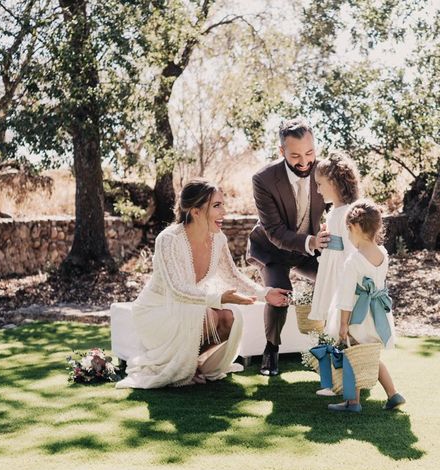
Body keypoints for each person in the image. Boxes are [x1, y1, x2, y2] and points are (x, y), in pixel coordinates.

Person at [116, 179, 289, 389]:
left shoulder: (218, 239)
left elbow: (232, 276)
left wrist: (265, 293)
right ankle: (183, 366)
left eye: (223, 205)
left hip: (190, 307)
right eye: (217, 206)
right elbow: (177, 290)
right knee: (206, 314)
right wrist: (218, 298)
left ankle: (194, 364)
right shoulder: (169, 239)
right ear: (195, 211)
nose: (224, 212)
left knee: (231, 316)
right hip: (157, 311)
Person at [247, 117, 328, 376]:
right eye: (295, 155)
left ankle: (332, 346)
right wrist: (310, 241)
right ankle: (271, 349)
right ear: (281, 152)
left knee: (334, 278)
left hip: (309, 250)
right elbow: (274, 231)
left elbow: (340, 205)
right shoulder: (263, 179)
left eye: (310, 152)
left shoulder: (324, 172)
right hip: (271, 249)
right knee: (279, 292)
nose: (304, 162)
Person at [327, 199, 406, 413]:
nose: (349, 236)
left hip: (358, 317)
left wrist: (343, 324)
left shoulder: (354, 261)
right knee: (370, 357)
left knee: (352, 357)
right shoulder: (383, 254)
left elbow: (345, 297)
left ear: (356, 228)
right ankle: (393, 393)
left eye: (348, 230)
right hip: (377, 315)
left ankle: (353, 402)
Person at [308, 151, 361, 396]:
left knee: (338, 324)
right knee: (328, 326)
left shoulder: (348, 212)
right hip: (330, 270)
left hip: (339, 275)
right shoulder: (336, 211)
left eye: (320, 184)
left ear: (334, 182)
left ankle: (343, 381)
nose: (318, 190)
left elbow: (352, 249)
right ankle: (333, 380)